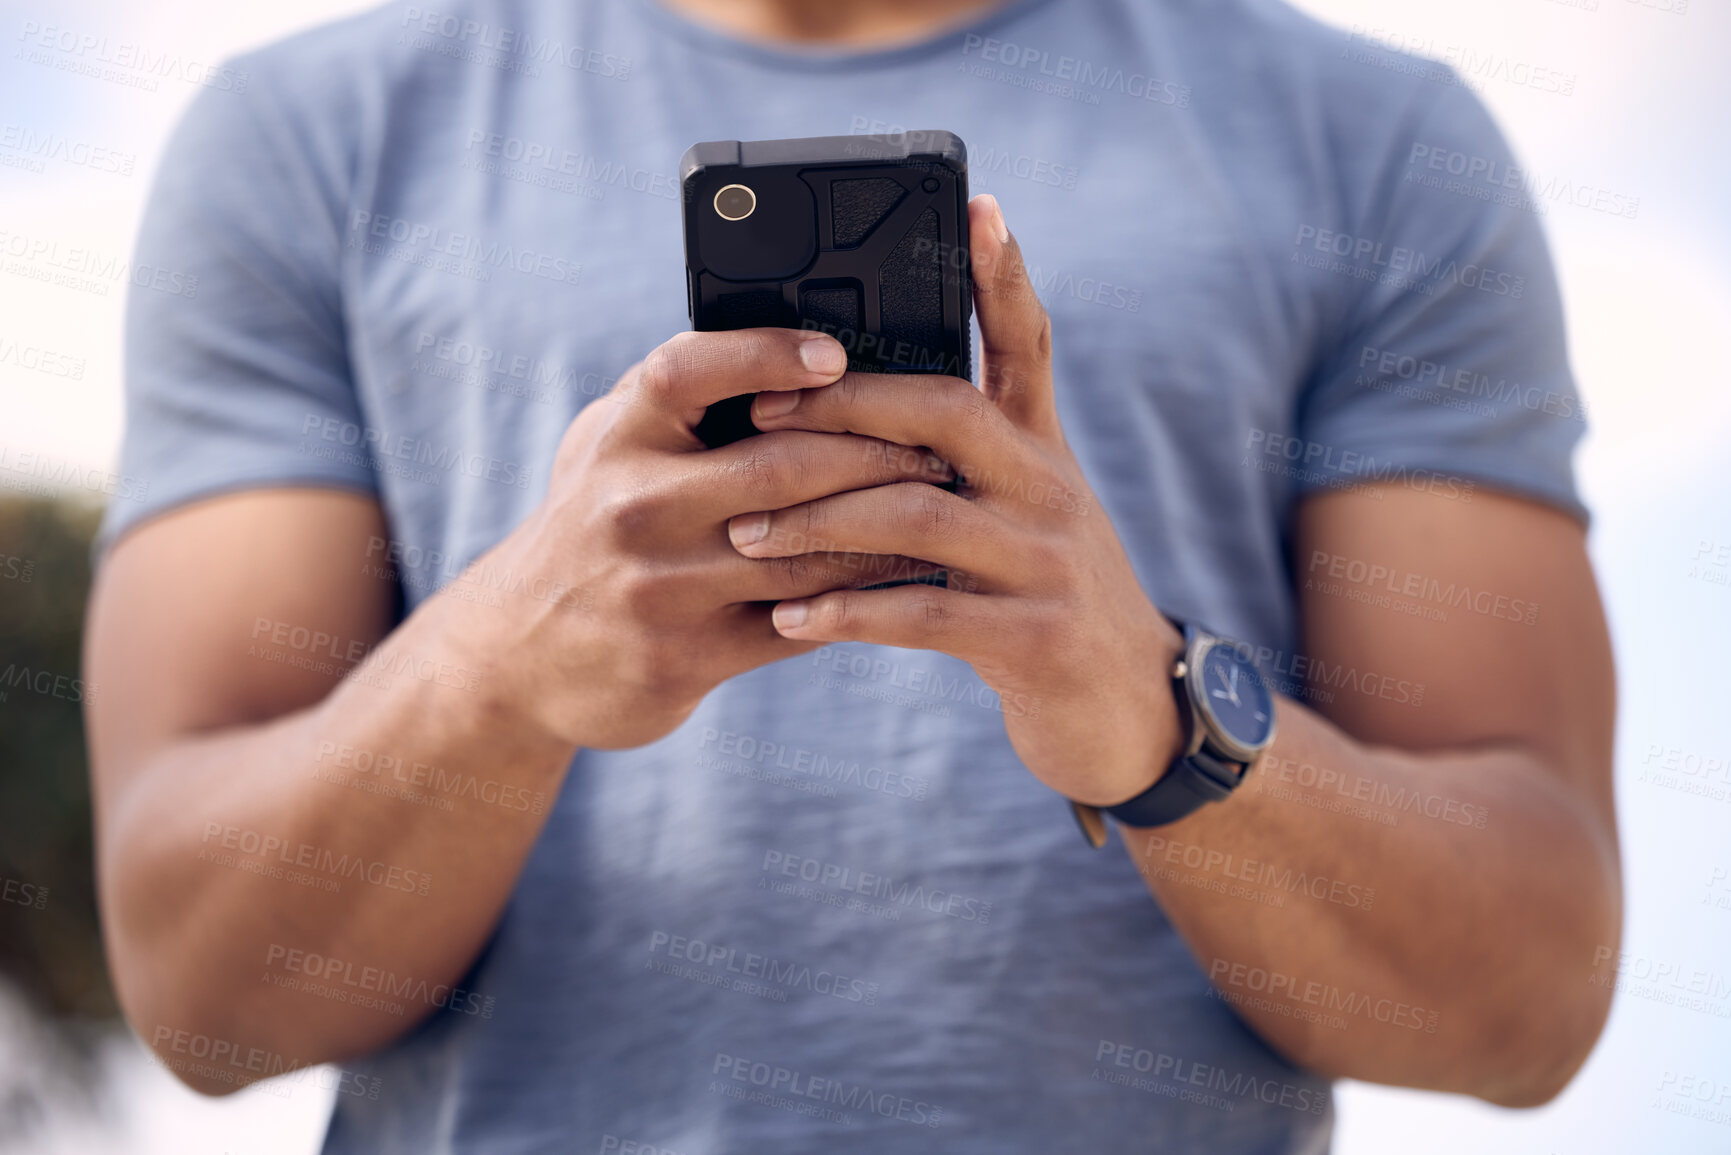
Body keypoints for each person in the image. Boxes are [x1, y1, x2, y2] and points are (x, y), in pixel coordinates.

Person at [83, 0, 1620, 1150]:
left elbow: (1526, 1003)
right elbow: (205, 998)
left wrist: (1160, 720)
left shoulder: (1373, 145)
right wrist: (490, 674)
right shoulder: (305, 139)